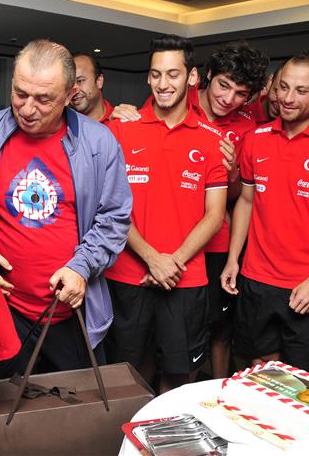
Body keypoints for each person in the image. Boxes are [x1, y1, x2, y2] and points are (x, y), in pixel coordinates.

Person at [0, 39, 132, 376]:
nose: (27, 109)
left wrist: (82, 267)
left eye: (43, 99)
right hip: (1, 309)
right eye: (20, 94)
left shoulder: (99, 143)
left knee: (75, 405)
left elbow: (114, 217)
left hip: (72, 312)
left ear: (70, 95)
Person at [221, 52, 309, 374]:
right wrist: (233, 259)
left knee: (301, 380)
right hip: (256, 278)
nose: (287, 98)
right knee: (256, 369)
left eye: (301, 91)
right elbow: (246, 201)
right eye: (283, 87)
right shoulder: (256, 139)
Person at [104, 34, 229, 394]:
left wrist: (171, 262)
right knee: (126, 378)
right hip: (128, 277)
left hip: (184, 278)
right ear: (148, 77)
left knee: (179, 378)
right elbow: (110, 207)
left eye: (173, 74)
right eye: (156, 74)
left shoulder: (212, 138)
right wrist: (151, 258)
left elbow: (215, 215)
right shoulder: (119, 129)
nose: (163, 84)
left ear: (192, 77)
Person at [193, 42, 269, 379]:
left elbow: (239, 196)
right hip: (170, 236)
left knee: (220, 327)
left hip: (219, 240)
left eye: (241, 94)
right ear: (208, 75)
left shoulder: (247, 129)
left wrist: (234, 173)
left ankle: (220, 392)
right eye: (224, 85)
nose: (228, 98)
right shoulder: (176, 104)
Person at [71, 52, 114, 124]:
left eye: (80, 81)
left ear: (99, 81)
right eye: (70, 84)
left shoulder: (120, 121)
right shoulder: (60, 125)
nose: (74, 89)